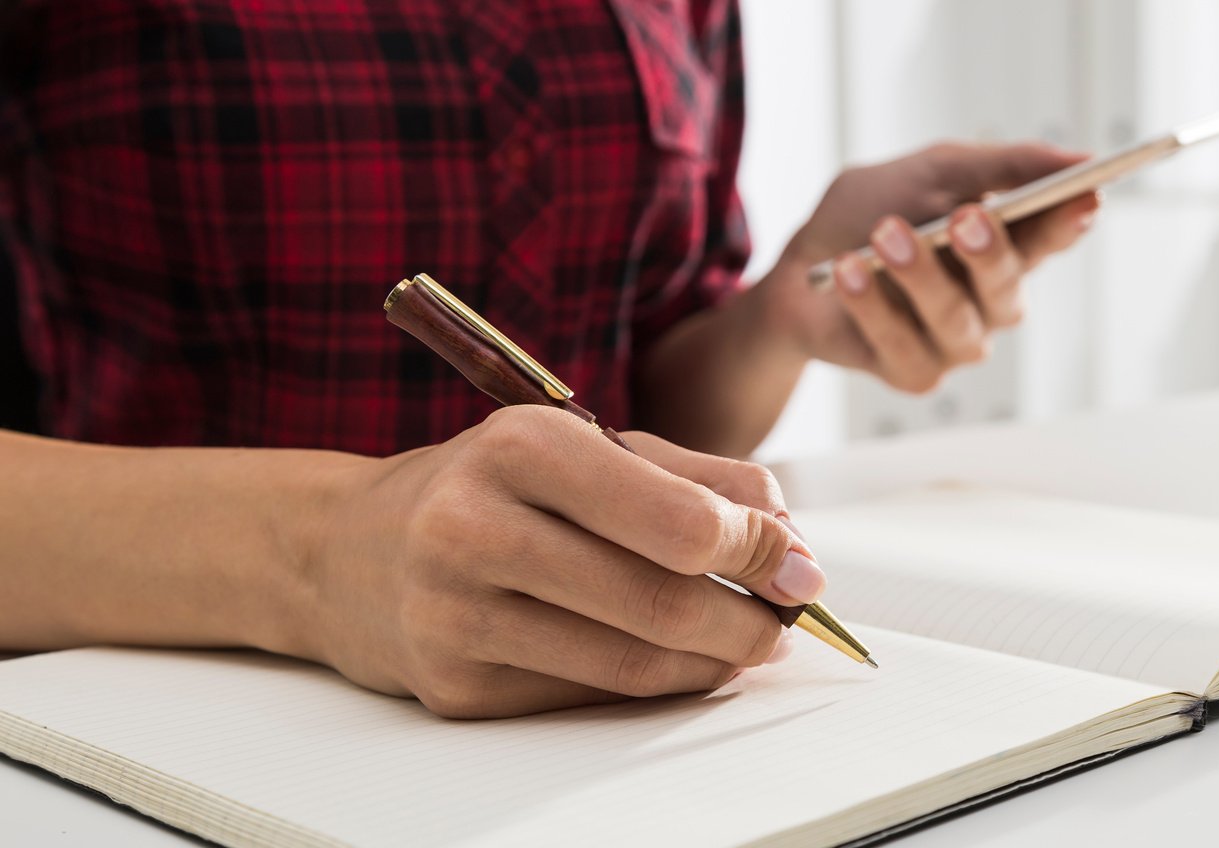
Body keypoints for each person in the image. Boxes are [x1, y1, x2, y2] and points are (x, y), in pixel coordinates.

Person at [0, 0, 1098, 717]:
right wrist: (324, 551)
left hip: (579, 721)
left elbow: (649, 383)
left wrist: (785, 312)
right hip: (156, 719)